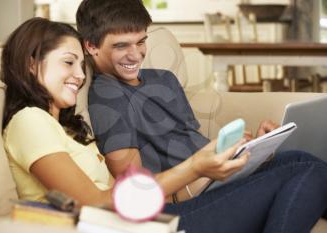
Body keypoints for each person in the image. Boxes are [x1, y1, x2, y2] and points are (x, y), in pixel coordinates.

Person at [75, 0, 327, 232]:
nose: (135, 54)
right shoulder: (106, 96)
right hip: (181, 204)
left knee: (301, 159)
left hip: (214, 183)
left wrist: (252, 152)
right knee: (311, 172)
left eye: (140, 42)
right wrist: (200, 174)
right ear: (91, 46)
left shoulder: (164, 79)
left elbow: (191, 144)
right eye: (121, 46)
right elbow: (136, 188)